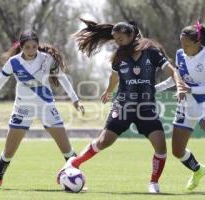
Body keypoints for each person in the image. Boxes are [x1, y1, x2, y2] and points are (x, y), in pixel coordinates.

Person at [57, 18, 187, 193]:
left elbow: (172, 70)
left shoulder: (151, 52)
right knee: (104, 141)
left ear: (131, 35)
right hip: (123, 106)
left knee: (161, 147)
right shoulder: (119, 57)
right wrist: (109, 91)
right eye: (116, 40)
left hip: (146, 108)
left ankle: (154, 183)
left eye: (121, 39)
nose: (118, 43)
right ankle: (73, 163)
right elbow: (114, 77)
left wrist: (179, 86)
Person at [0, 30, 85, 189]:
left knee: (66, 148)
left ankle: (77, 178)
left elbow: (63, 78)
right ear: (21, 46)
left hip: (46, 106)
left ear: (38, 45)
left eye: (34, 47)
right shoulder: (13, 62)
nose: (31, 50)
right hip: (22, 108)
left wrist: (75, 100)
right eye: (27, 47)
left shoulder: (47, 59)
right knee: (9, 151)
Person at [154, 21, 205, 194]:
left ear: (197, 43)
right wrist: (156, 88)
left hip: (204, 104)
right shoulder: (180, 55)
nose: (183, 47)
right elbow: (176, 78)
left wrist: (191, 89)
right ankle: (198, 170)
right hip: (185, 105)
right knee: (177, 151)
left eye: (187, 45)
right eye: (182, 44)